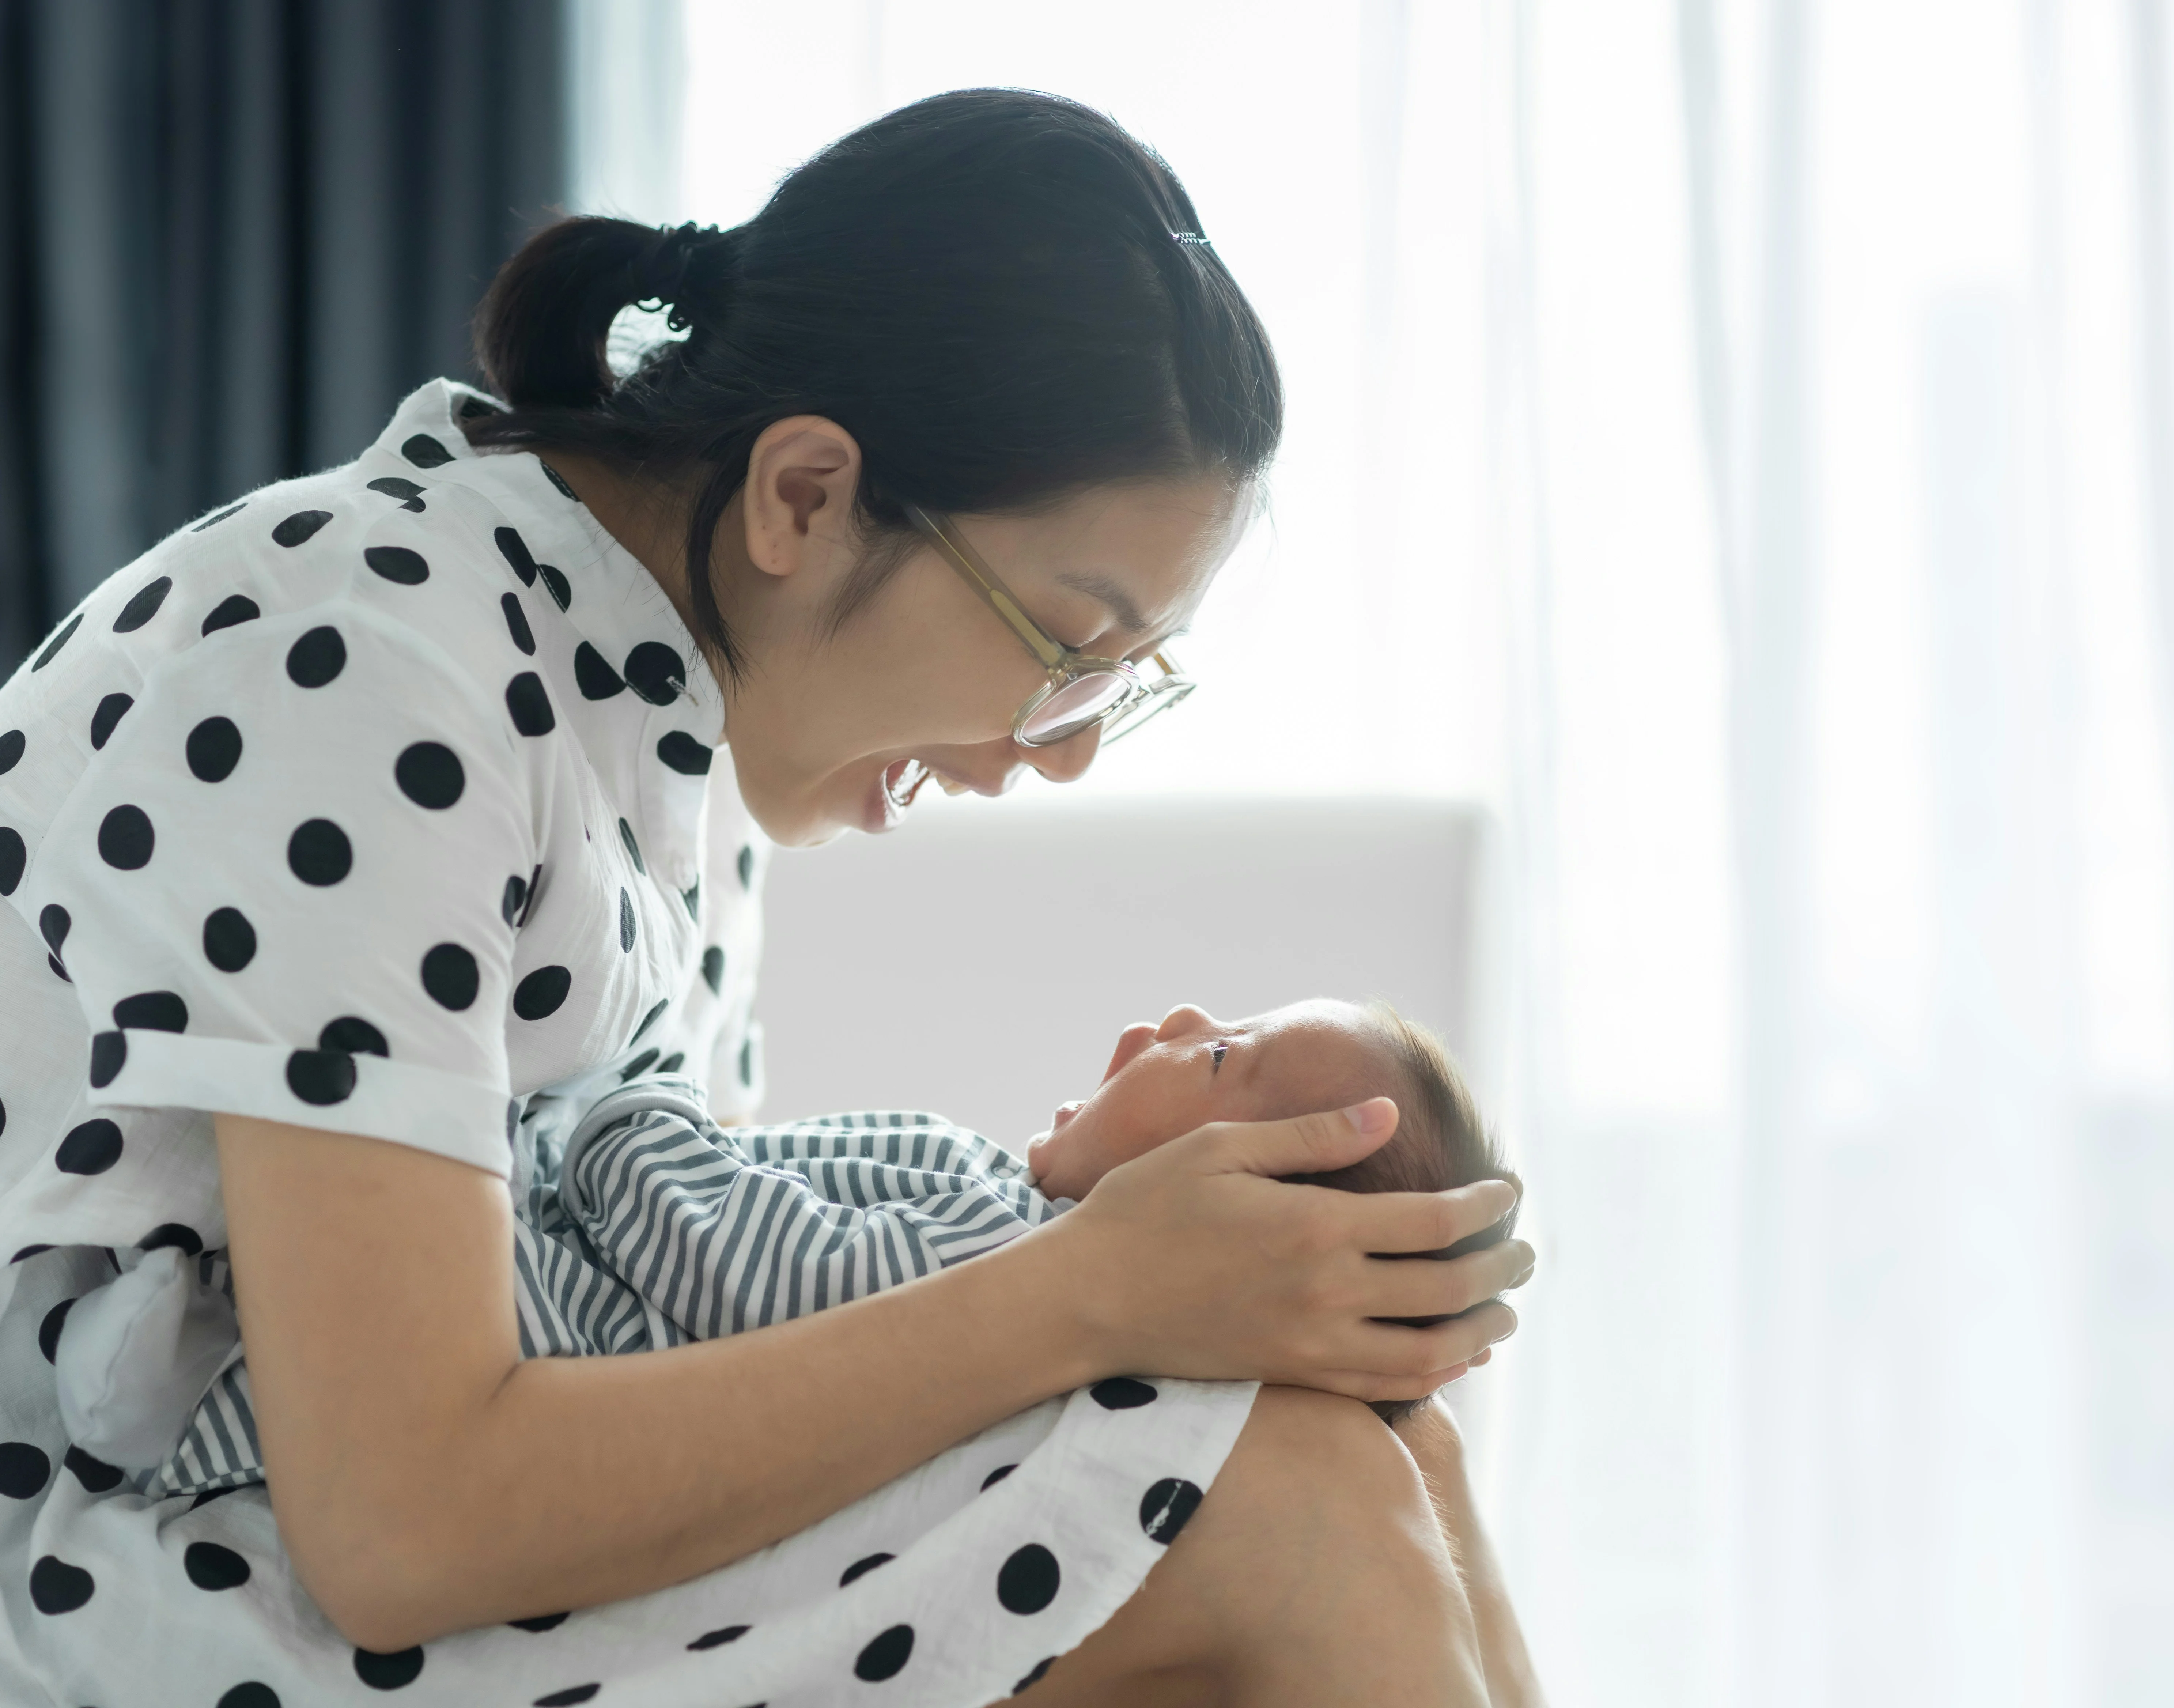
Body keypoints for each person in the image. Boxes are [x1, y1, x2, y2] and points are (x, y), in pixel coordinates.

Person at [0, 88, 1539, 1707]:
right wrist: (1094, 1289)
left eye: (1120, 686)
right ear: (803, 495)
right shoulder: (376, 667)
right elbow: (400, 1516)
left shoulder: (671, 721)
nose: (1065, 755)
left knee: (1387, 1450)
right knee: (1294, 1509)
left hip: (327, 1548)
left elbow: (664, 1341)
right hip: (113, 1560)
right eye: (1062, 655)